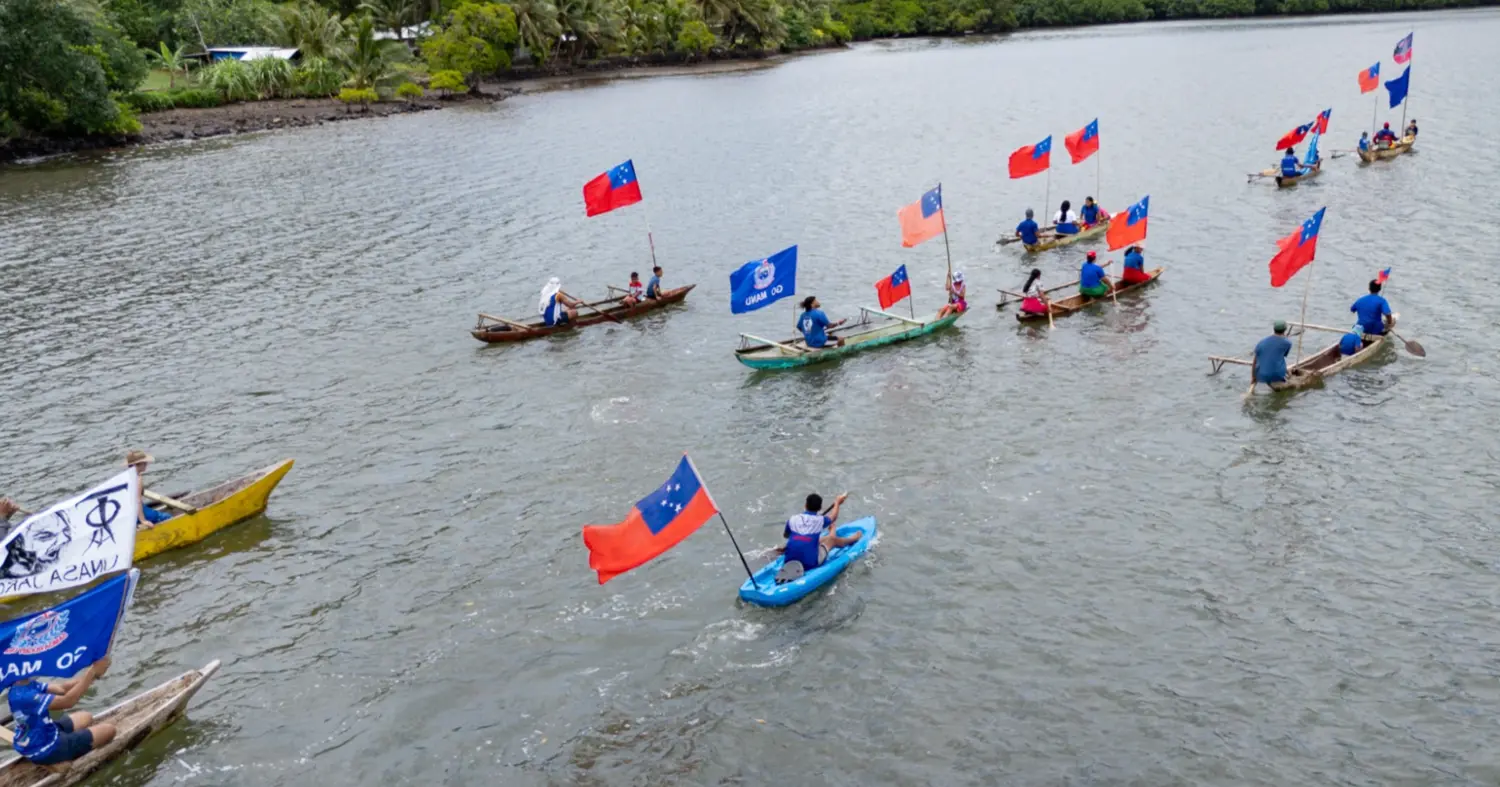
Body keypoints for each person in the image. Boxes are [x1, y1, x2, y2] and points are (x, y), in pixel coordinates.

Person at [7, 655, 117, 769]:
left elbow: (62, 689)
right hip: (45, 749)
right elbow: (68, 701)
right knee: (110, 730)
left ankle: (71, 742)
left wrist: (95, 674)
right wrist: (92, 672)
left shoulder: (23, 684)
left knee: (86, 716)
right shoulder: (25, 696)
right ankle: (60, 756)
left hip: (41, 732)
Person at [777, 493, 860, 572]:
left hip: (788, 561)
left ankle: (832, 530)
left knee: (812, 539)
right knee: (832, 540)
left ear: (805, 505)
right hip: (810, 563)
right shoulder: (820, 520)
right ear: (820, 508)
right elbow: (833, 517)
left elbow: (787, 536)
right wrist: (837, 503)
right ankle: (853, 539)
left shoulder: (793, 519)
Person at [124, 450, 172, 529]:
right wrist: (143, 520)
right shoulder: (137, 478)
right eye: (144, 463)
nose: (146, 464)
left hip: (129, 512)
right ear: (138, 465)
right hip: (137, 511)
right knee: (167, 517)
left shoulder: (126, 476)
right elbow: (137, 500)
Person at [1251, 321, 1294, 389]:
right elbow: (1282, 355)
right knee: (1280, 360)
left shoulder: (1261, 342)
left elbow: (1254, 362)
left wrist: (1253, 378)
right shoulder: (1287, 343)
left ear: (1274, 329)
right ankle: (1283, 377)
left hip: (1260, 375)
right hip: (1277, 376)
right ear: (1285, 330)